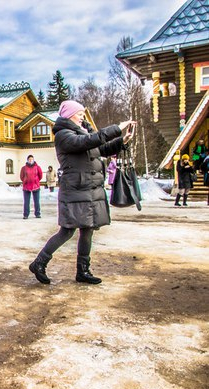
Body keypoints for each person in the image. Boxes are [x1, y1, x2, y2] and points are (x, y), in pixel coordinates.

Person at [28, 100, 135, 285]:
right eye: (79, 114)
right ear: (69, 115)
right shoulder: (64, 135)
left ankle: (83, 271)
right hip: (75, 191)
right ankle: (39, 263)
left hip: (89, 190)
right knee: (67, 230)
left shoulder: (83, 132)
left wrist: (123, 140)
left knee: (88, 230)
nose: (82, 117)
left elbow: (101, 149)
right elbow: (87, 142)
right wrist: (117, 128)